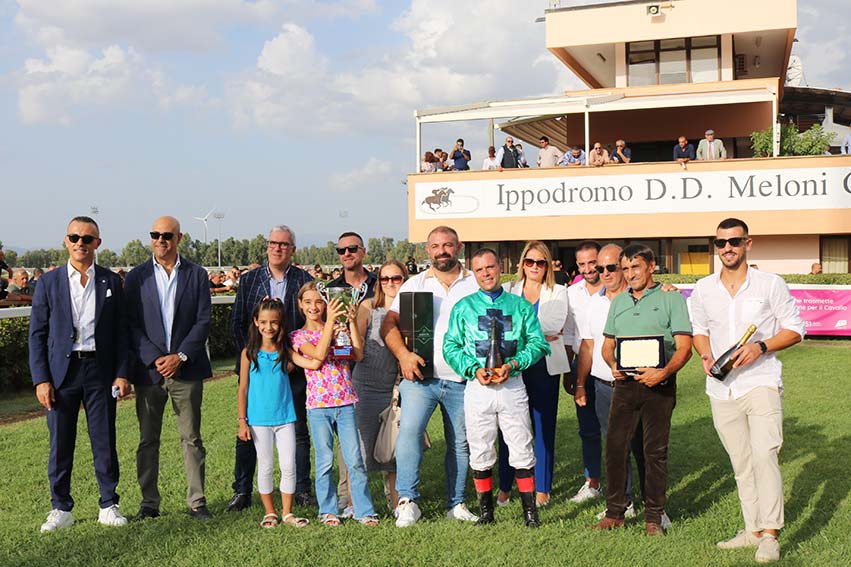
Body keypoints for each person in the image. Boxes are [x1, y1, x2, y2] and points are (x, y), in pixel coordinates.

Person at [690, 218, 804, 562]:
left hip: (761, 382)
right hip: (721, 388)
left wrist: (762, 347)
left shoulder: (770, 284)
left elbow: (795, 329)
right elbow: (699, 329)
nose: (727, 248)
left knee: (764, 455)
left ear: (747, 244)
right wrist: (705, 354)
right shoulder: (703, 287)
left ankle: (770, 534)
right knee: (741, 462)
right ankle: (751, 529)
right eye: (721, 243)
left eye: (734, 242)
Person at [29, 216, 130, 532]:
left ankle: (108, 504)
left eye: (87, 239)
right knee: (60, 442)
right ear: (66, 241)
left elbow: (122, 333)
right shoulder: (49, 282)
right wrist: (41, 379)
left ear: (97, 243)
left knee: (104, 439)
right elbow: (38, 334)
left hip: (99, 370)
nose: (80, 244)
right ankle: (61, 508)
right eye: (75, 238)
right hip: (62, 373)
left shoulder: (112, 282)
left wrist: (122, 373)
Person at [380, 225, 480, 527]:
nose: (442, 251)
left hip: (463, 378)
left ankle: (457, 503)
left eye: (448, 245)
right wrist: (403, 355)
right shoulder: (414, 284)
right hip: (420, 378)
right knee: (409, 434)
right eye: (435, 246)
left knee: (461, 442)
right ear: (428, 250)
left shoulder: (475, 282)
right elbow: (389, 324)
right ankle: (407, 501)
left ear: (459, 247)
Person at [443, 248, 550, 527]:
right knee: (480, 448)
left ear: (499, 267)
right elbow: (450, 346)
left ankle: (530, 514)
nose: (486, 273)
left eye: (490, 267)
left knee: (521, 446)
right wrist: (473, 369)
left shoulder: (520, 306)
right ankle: (486, 513)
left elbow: (539, 344)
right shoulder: (463, 308)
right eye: (479, 270)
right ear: (473, 272)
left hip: (512, 385)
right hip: (478, 388)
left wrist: (513, 365)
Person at [591, 244, 693, 536]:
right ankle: (615, 513)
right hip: (624, 385)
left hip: (659, 385)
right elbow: (608, 345)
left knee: (654, 453)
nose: (630, 274)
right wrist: (612, 364)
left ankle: (653, 517)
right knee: (614, 448)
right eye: (625, 268)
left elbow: (685, 348)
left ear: (651, 266)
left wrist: (664, 372)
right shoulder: (619, 302)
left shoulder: (672, 299)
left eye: (635, 267)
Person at [124, 216, 213, 521]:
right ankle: (149, 503)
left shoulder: (197, 275)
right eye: (155, 234)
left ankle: (197, 501)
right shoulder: (136, 277)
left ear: (179, 238)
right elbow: (132, 325)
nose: (160, 240)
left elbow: (203, 321)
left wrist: (181, 356)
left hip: (186, 371)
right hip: (150, 372)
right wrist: (155, 357)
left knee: (192, 438)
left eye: (167, 235)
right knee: (148, 439)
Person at [227, 225, 315, 512]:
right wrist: (252, 357)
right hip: (257, 369)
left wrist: (292, 358)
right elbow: (238, 323)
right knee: (249, 432)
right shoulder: (250, 280)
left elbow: (310, 323)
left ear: (292, 249)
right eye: (273, 243)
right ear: (268, 247)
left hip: (293, 369)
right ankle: (242, 490)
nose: (278, 248)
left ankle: (301, 488)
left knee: (298, 430)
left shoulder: (304, 279)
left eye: (284, 244)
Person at [290, 283, 379, 526]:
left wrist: (349, 322)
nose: (314, 307)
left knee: (355, 460)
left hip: (346, 402)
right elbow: (318, 356)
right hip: (318, 407)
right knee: (325, 461)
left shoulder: (338, 329)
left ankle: (364, 510)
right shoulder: (298, 336)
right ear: (300, 305)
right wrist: (331, 321)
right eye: (308, 302)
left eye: (319, 301)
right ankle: (327, 510)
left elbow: (357, 355)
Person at [576, 244, 648, 523]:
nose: (602, 272)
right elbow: (588, 345)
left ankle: (653, 501)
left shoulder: (640, 298)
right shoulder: (595, 303)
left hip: (639, 384)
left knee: (643, 446)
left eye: (610, 267)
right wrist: (581, 384)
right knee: (615, 446)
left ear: (624, 267)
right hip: (604, 385)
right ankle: (624, 500)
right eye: (599, 268)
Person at [497, 241, 569, 508]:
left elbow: (554, 324)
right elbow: (504, 328)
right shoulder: (508, 290)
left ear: (548, 266)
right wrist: (537, 334)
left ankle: (542, 488)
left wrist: (521, 328)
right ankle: (505, 486)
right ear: (522, 264)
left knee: (542, 427)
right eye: (530, 262)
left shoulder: (558, 292)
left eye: (541, 262)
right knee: (510, 428)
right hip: (513, 367)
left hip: (545, 368)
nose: (535, 267)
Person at [237, 298, 312, 529]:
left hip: (285, 418)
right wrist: (242, 421)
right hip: (259, 420)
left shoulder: (285, 353)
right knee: (266, 466)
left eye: (274, 323)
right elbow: (243, 389)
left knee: (289, 465)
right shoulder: (248, 353)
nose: (269, 327)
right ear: (256, 322)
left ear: (281, 324)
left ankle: (287, 512)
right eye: (264, 322)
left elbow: (308, 362)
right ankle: (270, 512)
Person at [351, 260, 409, 511]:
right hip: (366, 386)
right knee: (361, 450)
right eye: (384, 279)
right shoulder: (368, 307)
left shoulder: (412, 310)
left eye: (396, 278)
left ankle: (396, 503)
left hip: (397, 389)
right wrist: (351, 323)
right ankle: (357, 505)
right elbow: (358, 351)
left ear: (405, 279)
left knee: (395, 450)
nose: (390, 284)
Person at [563, 241, 604, 504]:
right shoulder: (572, 293)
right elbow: (568, 334)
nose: (589, 269)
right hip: (582, 367)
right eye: (583, 264)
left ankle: (626, 486)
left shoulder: (617, 288)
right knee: (588, 429)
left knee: (619, 430)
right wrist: (569, 371)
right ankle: (593, 482)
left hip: (613, 367)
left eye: (593, 262)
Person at [329, 232, 377, 299]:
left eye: (352, 249)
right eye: (341, 250)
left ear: (364, 252)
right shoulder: (330, 289)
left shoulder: (381, 284)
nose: (347, 254)